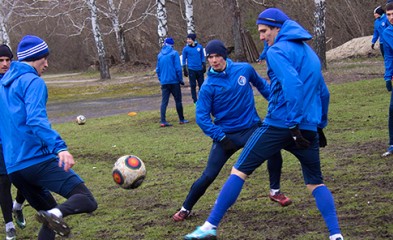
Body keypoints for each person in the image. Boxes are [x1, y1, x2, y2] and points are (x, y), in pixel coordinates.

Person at [184, 8, 343, 240]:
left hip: (281, 124)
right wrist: (320, 124)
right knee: (316, 184)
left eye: (264, 31)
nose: (261, 36)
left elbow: (293, 85)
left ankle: (210, 227)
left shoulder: (277, 50)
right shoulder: (309, 53)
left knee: (239, 171)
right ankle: (336, 235)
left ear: (277, 28)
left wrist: (292, 123)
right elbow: (324, 93)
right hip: (308, 127)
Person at [172, 40, 291, 222]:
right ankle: (185, 208)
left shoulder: (244, 69)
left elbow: (263, 87)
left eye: (217, 56)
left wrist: (278, 105)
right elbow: (202, 118)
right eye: (210, 57)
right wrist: (220, 137)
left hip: (252, 128)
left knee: (274, 151)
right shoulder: (208, 86)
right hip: (226, 135)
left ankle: (275, 191)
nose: (214, 60)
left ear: (224, 56)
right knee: (209, 175)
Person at [0, 35, 98, 240]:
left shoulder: (3, 85)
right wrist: (60, 148)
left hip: (14, 168)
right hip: (38, 161)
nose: (47, 63)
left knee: (51, 221)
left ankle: (53, 214)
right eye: (44, 58)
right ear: (34, 58)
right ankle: (54, 213)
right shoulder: (33, 82)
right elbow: (36, 120)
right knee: (86, 200)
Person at [0, 44, 27, 240]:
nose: (5, 64)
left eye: (8, 60)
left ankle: (18, 206)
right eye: (0, 61)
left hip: (18, 139)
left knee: (26, 178)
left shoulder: (17, 80)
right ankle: (9, 224)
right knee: (3, 183)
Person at [156, 37, 189, 127]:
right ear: (172, 45)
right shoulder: (174, 54)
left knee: (164, 102)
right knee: (178, 101)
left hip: (164, 82)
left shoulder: (159, 55)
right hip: (174, 81)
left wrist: (161, 79)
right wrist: (180, 79)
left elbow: (158, 69)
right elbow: (178, 68)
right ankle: (181, 119)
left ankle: (163, 120)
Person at [382, 2, 393, 157]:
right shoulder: (387, 33)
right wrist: (387, 76)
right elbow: (389, 57)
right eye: (389, 14)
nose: (391, 17)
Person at [182, 33, 206, 104]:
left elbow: (202, 56)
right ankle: (195, 100)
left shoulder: (199, 47)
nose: (188, 40)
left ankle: (202, 98)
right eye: (187, 39)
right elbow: (184, 59)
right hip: (191, 69)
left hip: (199, 69)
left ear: (193, 39)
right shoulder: (186, 49)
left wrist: (203, 64)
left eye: (190, 39)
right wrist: (184, 68)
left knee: (201, 85)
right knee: (193, 85)